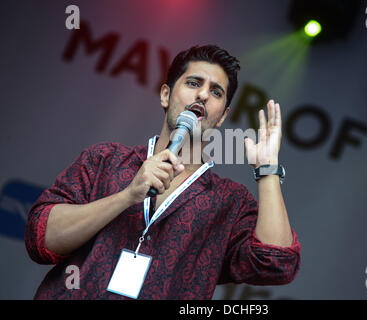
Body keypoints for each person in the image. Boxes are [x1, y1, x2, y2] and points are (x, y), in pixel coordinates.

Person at [25, 44, 301, 299]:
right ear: (166, 94)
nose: (203, 94)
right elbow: (41, 238)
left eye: (216, 92)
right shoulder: (104, 159)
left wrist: (267, 169)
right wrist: (127, 196)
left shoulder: (230, 202)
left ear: (223, 116)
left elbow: (277, 265)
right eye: (194, 83)